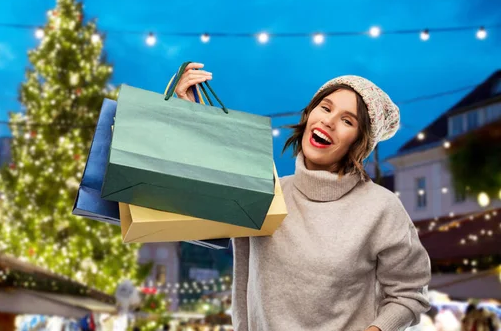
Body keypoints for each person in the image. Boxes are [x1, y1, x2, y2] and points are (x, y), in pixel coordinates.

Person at [172, 63, 432, 331]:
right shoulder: (266, 193)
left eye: (347, 121)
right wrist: (192, 118)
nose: (328, 121)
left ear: (360, 143)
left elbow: (409, 293)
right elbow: (198, 212)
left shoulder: (381, 208)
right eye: (326, 107)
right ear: (308, 114)